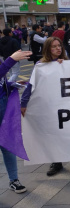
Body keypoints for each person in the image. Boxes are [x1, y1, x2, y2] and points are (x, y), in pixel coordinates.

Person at [21, 37, 70, 176]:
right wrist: (23, 103)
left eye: (59, 45)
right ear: (48, 49)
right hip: (50, 106)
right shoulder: (40, 66)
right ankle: (56, 161)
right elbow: (30, 85)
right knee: (54, 133)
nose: (58, 48)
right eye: (54, 46)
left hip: (67, 104)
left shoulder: (66, 62)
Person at [0, 50, 31, 193]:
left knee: (7, 143)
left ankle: (14, 179)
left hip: (4, 103)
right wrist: (11, 60)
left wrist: (10, 84)